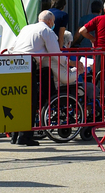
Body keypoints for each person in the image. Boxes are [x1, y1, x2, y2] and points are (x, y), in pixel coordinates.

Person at [10, 10, 64, 145]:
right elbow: (56, 53)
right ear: (50, 21)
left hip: (14, 62)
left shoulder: (26, 28)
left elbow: (12, 47)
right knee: (30, 101)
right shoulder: (47, 31)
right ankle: (25, 136)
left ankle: (14, 135)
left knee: (17, 100)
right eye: (53, 22)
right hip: (28, 64)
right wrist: (70, 63)